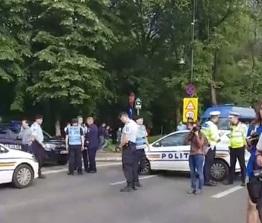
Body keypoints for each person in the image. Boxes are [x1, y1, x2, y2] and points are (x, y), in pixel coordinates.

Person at [246, 102, 262, 223]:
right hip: (254, 167)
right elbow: (248, 147)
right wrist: (250, 143)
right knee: (252, 204)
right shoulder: (254, 126)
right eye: (261, 109)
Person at [226, 112, 247, 186]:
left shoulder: (242, 126)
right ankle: (230, 180)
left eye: (231, 118)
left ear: (236, 118)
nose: (230, 119)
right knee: (232, 164)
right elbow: (231, 137)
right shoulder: (231, 126)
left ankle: (244, 180)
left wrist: (245, 146)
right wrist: (229, 146)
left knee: (242, 164)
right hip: (232, 148)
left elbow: (245, 137)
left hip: (240, 147)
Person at [119, 112, 138, 192]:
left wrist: (120, 146)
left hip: (128, 146)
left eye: (122, 119)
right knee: (133, 165)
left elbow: (126, 139)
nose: (122, 121)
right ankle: (133, 184)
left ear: (124, 117)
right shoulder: (134, 123)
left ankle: (129, 185)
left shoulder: (127, 125)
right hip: (133, 145)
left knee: (127, 166)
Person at [202, 111, 221, 186]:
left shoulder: (206, 124)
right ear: (215, 117)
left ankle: (205, 179)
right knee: (209, 164)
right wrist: (219, 138)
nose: (218, 119)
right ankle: (207, 180)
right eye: (218, 118)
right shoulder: (213, 126)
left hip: (205, 146)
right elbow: (214, 137)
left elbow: (203, 134)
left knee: (206, 163)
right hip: (211, 146)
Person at [186, 126, 206, 195]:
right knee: (192, 172)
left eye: (196, 128)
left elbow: (200, 145)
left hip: (199, 155)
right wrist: (190, 132)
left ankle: (200, 188)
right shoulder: (191, 135)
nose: (194, 129)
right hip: (191, 155)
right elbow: (186, 141)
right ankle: (193, 187)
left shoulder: (202, 135)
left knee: (200, 172)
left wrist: (197, 135)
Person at [30, 114, 46, 179]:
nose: (41, 121)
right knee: (39, 159)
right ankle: (38, 173)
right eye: (41, 119)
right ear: (37, 119)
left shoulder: (37, 126)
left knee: (41, 158)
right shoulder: (35, 126)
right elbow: (34, 136)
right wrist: (41, 143)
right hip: (37, 144)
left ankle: (38, 172)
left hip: (38, 143)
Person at [134, 116, 148, 187]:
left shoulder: (143, 127)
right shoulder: (134, 127)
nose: (142, 120)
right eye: (140, 119)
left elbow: (145, 136)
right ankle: (136, 181)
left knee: (143, 165)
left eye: (142, 119)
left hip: (142, 148)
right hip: (136, 148)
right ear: (136, 120)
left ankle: (135, 173)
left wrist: (147, 145)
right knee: (136, 165)